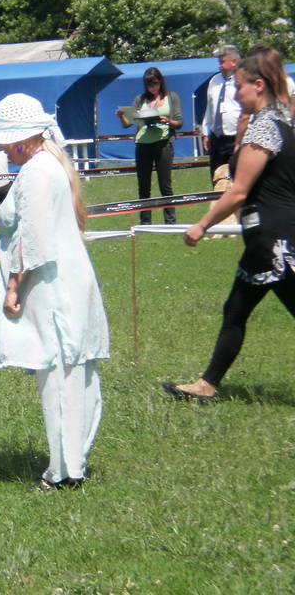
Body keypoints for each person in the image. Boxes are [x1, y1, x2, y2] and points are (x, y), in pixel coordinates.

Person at [0, 94, 110, 490]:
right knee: (72, 374)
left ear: (20, 138)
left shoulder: (36, 172)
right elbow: (37, 232)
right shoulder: (49, 166)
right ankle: (70, 463)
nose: (0, 149)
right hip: (64, 278)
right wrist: (0, 256)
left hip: (52, 287)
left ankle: (63, 472)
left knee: (59, 376)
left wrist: (13, 288)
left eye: (3, 141)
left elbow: (35, 239)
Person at [163, 47, 295, 403]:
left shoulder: (265, 127)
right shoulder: (283, 122)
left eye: (239, 87)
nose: (236, 95)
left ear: (258, 85)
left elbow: (238, 191)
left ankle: (207, 385)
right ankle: (207, 385)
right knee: (235, 310)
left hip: (273, 240)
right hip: (271, 236)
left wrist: (202, 225)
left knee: (236, 310)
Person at [116, 67, 183, 224]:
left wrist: (168, 121)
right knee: (143, 186)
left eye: (154, 83)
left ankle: (170, 222)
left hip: (163, 143)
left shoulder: (172, 97)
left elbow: (179, 122)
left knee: (165, 184)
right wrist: (122, 116)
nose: (152, 88)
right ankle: (145, 222)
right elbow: (127, 123)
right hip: (143, 144)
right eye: (148, 85)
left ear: (160, 81)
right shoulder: (140, 100)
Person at [202, 45, 250, 180]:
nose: (219, 65)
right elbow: (210, 109)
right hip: (217, 139)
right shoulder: (214, 81)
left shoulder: (244, 81)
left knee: (237, 179)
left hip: (237, 137)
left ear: (234, 62)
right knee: (218, 178)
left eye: (222, 62)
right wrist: (206, 133)